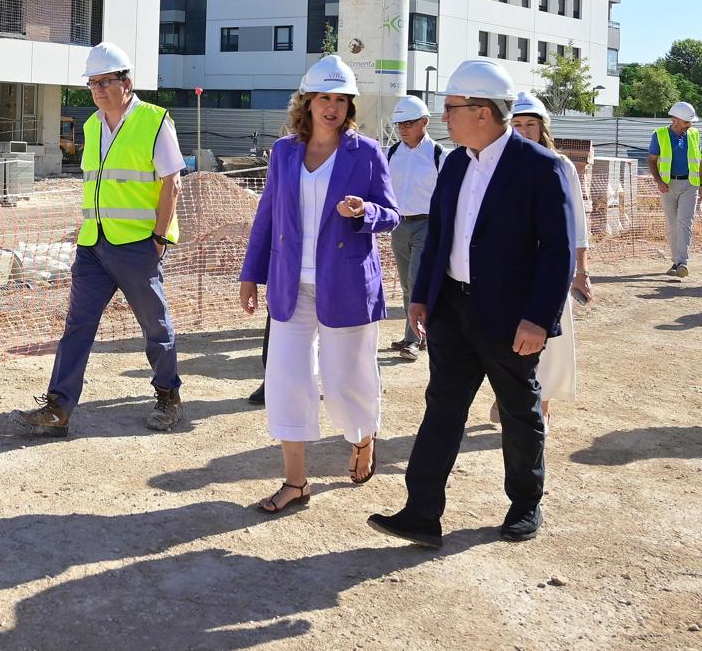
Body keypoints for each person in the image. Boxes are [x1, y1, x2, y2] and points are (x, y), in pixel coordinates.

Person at [369, 60, 572, 549]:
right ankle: (421, 512)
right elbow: (439, 233)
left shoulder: (541, 168)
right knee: (442, 408)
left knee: (519, 411)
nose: (445, 118)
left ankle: (525, 503)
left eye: (452, 108)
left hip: (510, 319)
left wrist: (539, 320)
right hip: (451, 312)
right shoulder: (457, 161)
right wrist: (421, 296)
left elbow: (558, 251)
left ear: (482, 112)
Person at [238, 55, 400, 513]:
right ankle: (295, 482)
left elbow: (391, 214)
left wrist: (364, 212)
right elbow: (266, 215)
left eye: (341, 99)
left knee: (345, 378)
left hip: (346, 284)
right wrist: (251, 275)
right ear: (306, 103)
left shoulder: (365, 152)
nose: (332, 107)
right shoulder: (284, 152)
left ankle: (363, 436)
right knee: (287, 379)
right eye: (324, 98)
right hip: (291, 285)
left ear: (350, 106)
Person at [14, 42, 187, 435]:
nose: (97, 90)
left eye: (105, 82)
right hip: (94, 245)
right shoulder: (92, 126)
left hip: (138, 244)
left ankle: (168, 397)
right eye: (92, 83)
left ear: (127, 82)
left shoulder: (155, 121)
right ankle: (58, 407)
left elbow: (171, 186)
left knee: (154, 326)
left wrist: (158, 238)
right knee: (77, 326)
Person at [504, 92, 590, 426]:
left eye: (531, 125)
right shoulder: (498, 165)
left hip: (549, 265)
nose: (524, 131)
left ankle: (543, 400)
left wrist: (581, 271)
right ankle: (507, 393)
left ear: (543, 128)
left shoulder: (560, 166)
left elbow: (577, 224)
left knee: (550, 337)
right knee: (506, 333)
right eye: (518, 124)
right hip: (509, 266)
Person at [385, 96, 445, 362]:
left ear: (425, 122)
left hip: (427, 225)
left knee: (416, 281)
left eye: (409, 123)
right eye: (400, 124)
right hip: (399, 225)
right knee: (407, 284)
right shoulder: (392, 153)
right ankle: (418, 334)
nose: (403, 128)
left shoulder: (439, 155)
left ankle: (413, 340)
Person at [648, 101, 699, 279]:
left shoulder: (694, 134)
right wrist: (658, 181)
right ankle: (676, 262)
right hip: (668, 186)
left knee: (685, 222)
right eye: (687, 121)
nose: (690, 125)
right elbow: (652, 161)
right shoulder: (659, 135)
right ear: (675, 120)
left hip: (691, 184)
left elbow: (698, 160)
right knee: (672, 226)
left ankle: (682, 262)